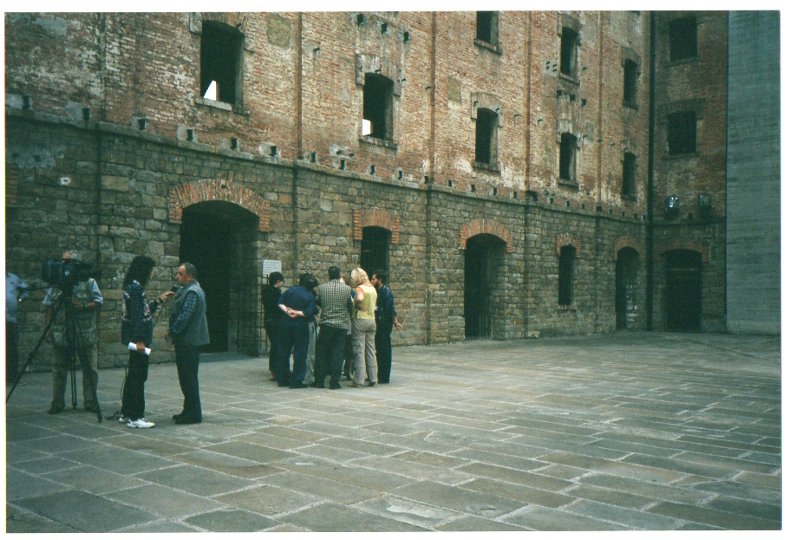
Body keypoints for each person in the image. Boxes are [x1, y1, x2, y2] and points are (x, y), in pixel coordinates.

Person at [42, 250, 103, 414]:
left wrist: (84, 306)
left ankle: (90, 401)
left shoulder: (89, 282)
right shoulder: (56, 284)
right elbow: (49, 306)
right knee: (58, 368)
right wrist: (48, 328)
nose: (64, 266)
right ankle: (57, 402)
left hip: (85, 332)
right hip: (62, 331)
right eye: (62, 262)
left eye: (68, 262)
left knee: (90, 368)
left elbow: (98, 301)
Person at [120, 255, 173, 429]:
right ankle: (136, 416)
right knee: (139, 375)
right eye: (150, 270)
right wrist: (140, 340)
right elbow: (137, 317)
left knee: (133, 374)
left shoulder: (131, 286)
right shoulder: (136, 289)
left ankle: (126, 411)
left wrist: (158, 301)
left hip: (133, 338)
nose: (151, 274)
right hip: (139, 340)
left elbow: (142, 310)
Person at [167, 262, 209, 424]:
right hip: (188, 340)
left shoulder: (192, 292)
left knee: (188, 377)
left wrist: (173, 331)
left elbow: (185, 316)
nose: (177, 276)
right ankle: (188, 409)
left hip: (189, 341)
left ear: (189, 276)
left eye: (180, 274)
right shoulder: (189, 289)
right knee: (186, 377)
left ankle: (194, 413)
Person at [312, 266, 353, 389]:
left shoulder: (322, 288)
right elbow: (350, 305)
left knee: (322, 353)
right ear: (339, 275)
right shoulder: (347, 289)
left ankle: (319, 381)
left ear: (328, 275)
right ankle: (334, 382)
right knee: (338, 353)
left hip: (326, 324)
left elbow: (318, 303)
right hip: (341, 325)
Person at [276, 273, 317, 388]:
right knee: (300, 353)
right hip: (300, 326)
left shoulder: (291, 290)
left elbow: (280, 303)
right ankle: (296, 380)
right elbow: (307, 313)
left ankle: (282, 379)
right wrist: (296, 312)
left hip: (286, 324)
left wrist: (288, 311)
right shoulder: (310, 296)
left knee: (284, 351)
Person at [371, 270, 402, 384]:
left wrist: (395, 321)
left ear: (379, 280)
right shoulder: (378, 291)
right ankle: (379, 374)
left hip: (384, 324)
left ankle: (384, 376)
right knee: (379, 349)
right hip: (379, 323)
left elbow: (390, 308)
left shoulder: (386, 292)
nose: (371, 281)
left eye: (373, 279)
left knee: (384, 349)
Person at [349, 268, 377, 388]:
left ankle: (359, 380)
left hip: (360, 319)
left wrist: (355, 302)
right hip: (372, 320)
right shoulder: (372, 288)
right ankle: (373, 377)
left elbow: (360, 298)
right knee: (371, 349)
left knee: (359, 350)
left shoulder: (359, 288)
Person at [6, 271, 29, 383]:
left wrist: (19, 300)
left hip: (10, 319)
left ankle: (12, 376)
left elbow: (25, 290)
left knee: (11, 348)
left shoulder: (14, 278)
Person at [262, 271, 284, 381]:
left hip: (268, 320)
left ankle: (273, 370)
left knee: (275, 345)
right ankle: (275, 370)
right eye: (282, 281)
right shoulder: (277, 293)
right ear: (278, 281)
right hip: (276, 321)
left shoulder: (265, 291)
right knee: (277, 345)